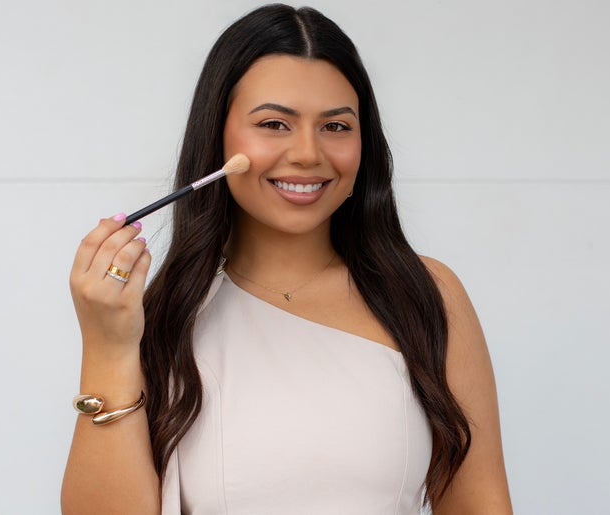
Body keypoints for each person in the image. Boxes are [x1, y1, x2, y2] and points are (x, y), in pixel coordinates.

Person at [62, 4, 511, 514]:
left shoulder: (427, 294)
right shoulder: (159, 321)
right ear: (217, 136)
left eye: (336, 126)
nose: (307, 153)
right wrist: (107, 347)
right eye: (274, 123)